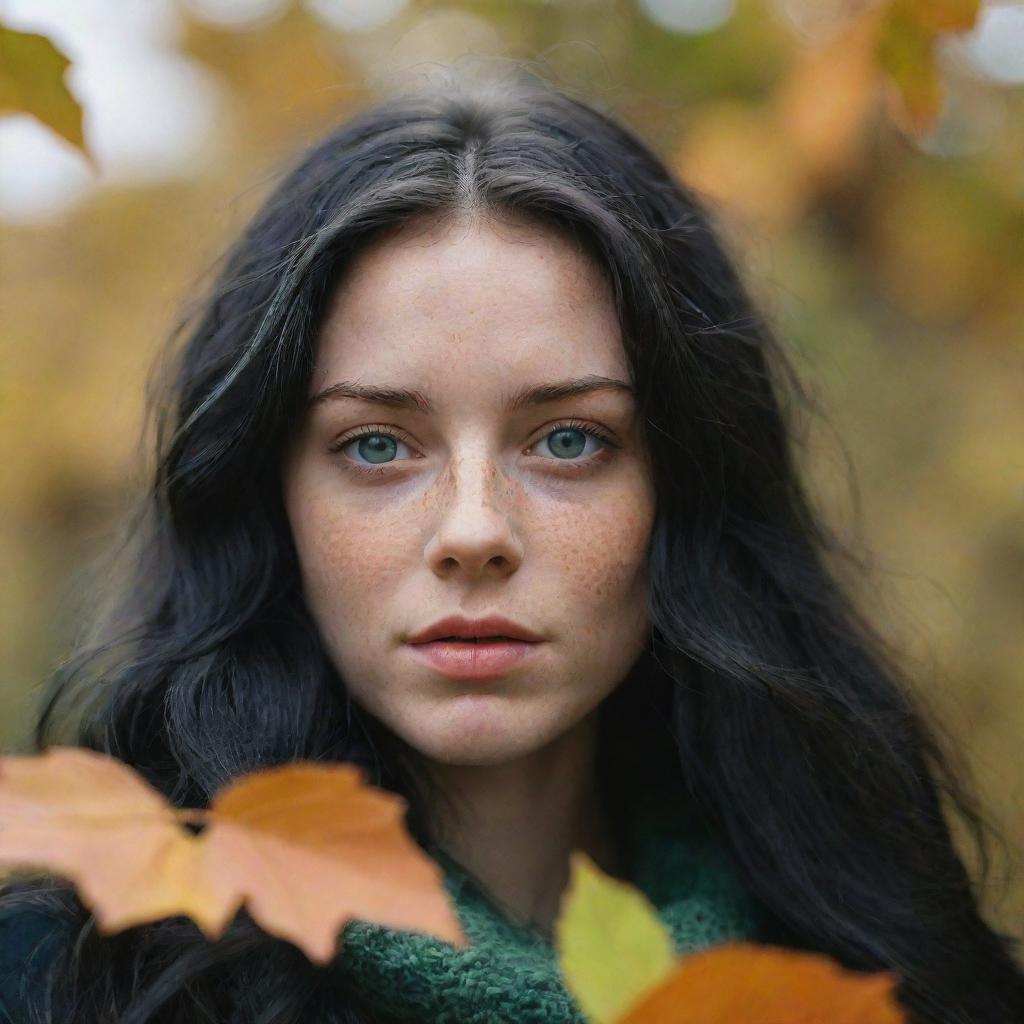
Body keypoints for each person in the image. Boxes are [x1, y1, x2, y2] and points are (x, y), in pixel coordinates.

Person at [1, 68, 1022, 1024]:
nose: (474, 530)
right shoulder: (69, 978)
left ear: (683, 486)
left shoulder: (886, 975)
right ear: (271, 497)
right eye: (376, 445)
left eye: (569, 440)